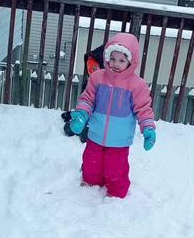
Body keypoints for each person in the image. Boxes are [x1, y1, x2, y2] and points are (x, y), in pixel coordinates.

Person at [69, 32, 156, 199]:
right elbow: (87, 99)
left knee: (115, 168)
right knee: (91, 162)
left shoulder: (137, 85)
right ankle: (90, 183)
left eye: (122, 60)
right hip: (96, 134)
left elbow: (143, 109)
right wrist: (81, 115)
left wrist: (148, 129)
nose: (116, 64)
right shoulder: (97, 78)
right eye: (113, 58)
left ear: (131, 62)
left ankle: (116, 193)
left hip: (119, 140)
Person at [61, 44, 104, 143]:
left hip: (101, 124)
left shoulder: (109, 89)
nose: (91, 71)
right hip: (88, 119)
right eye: (89, 69)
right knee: (69, 128)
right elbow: (86, 104)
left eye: (94, 68)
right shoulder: (90, 84)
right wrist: (78, 115)